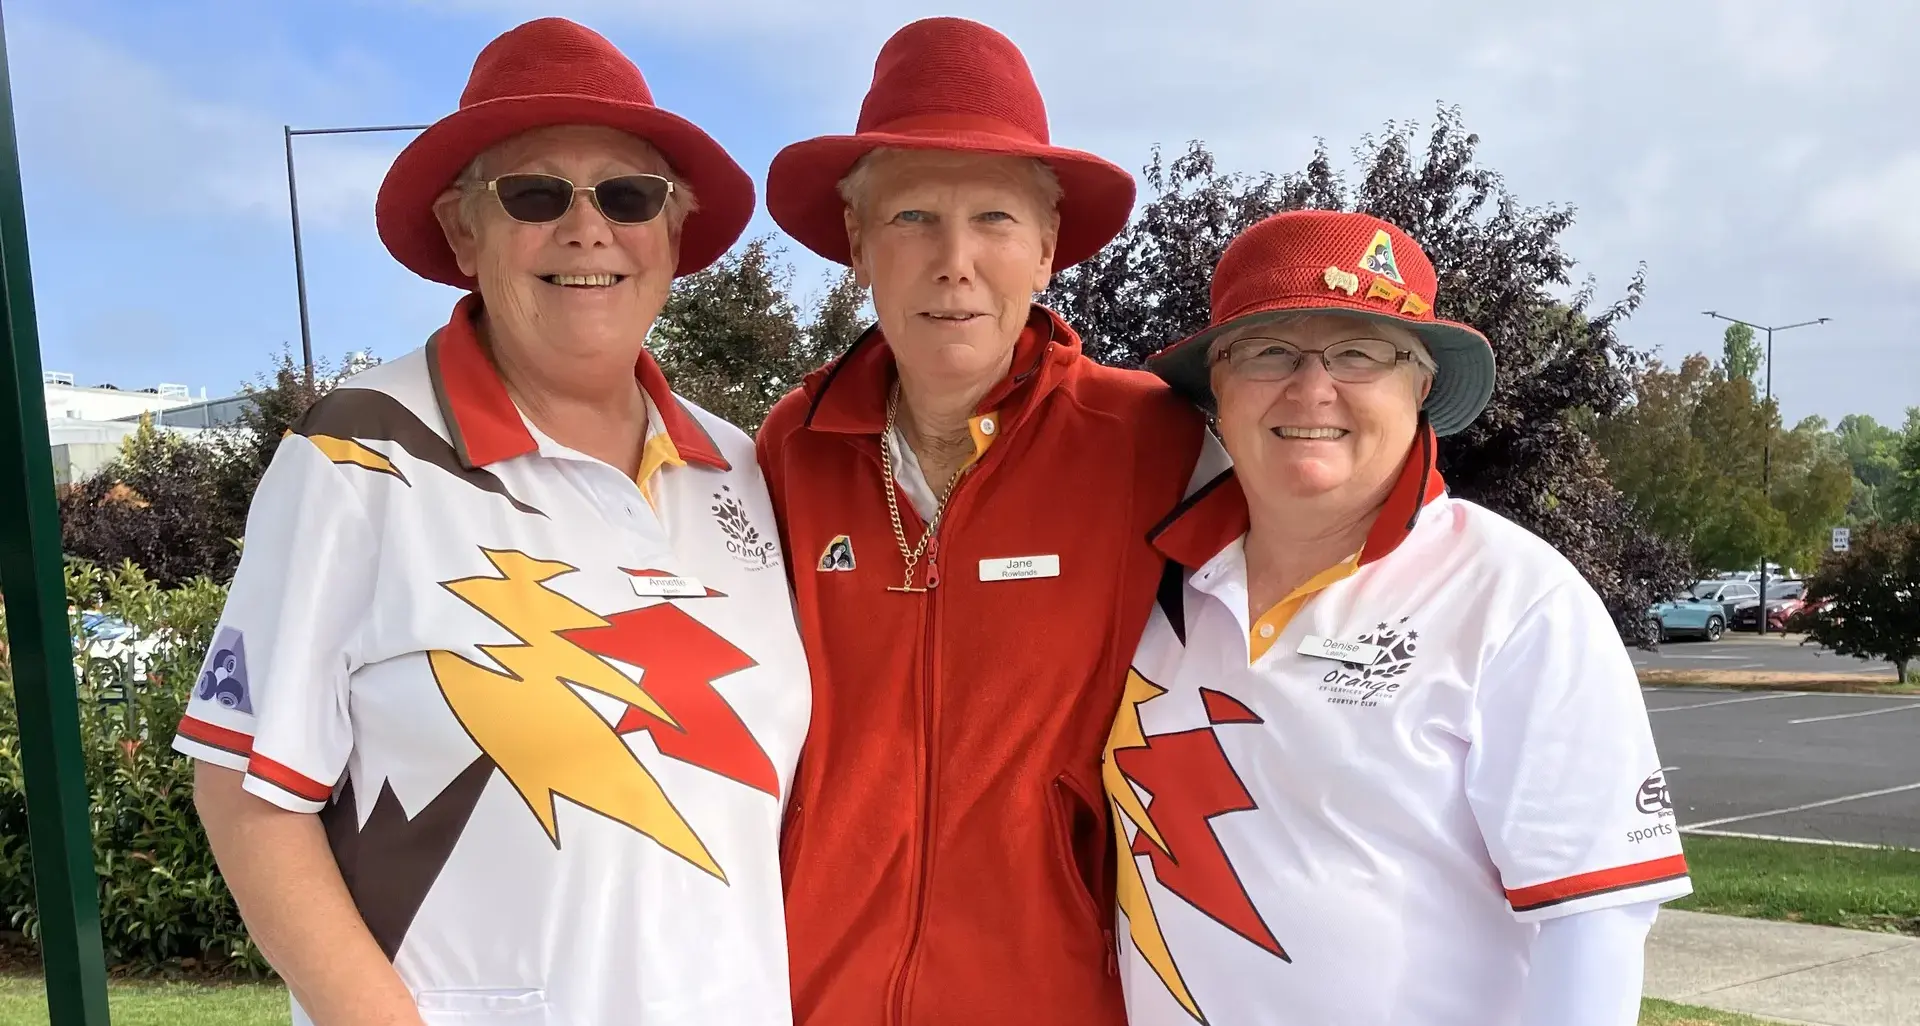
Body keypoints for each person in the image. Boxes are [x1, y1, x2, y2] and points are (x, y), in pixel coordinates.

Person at [172, 18, 810, 1026]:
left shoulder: (739, 467)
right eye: (535, 194)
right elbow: (248, 797)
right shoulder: (356, 456)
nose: (587, 228)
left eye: (630, 196)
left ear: (674, 237)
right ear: (464, 231)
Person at [1104, 209, 1691, 1026]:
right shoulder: (1151, 585)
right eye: (1269, 351)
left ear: (1419, 385)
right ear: (1219, 390)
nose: (1312, 388)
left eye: (1359, 352)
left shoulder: (1515, 598)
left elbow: (1593, 923)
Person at [756, 17, 1209, 1026]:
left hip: (1052, 992)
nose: (955, 260)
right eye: (912, 216)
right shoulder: (789, 446)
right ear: (857, 248)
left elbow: (1337, 541)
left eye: (996, 220)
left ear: (1047, 249)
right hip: (806, 991)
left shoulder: (1153, 439)